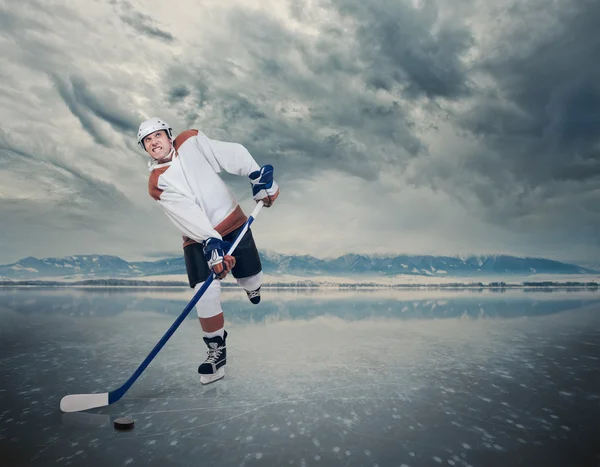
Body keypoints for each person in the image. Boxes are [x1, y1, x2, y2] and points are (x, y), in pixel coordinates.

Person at [137, 117, 280, 384]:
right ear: (145, 149)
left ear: (169, 136)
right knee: (204, 291)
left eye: (157, 135)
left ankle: (251, 285)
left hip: (231, 220)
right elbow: (185, 212)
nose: (153, 142)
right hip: (197, 236)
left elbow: (227, 153)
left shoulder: (190, 141)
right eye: (147, 140)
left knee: (251, 276)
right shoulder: (157, 182)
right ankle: (216, 350)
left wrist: (256, 175)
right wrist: (210, 241)